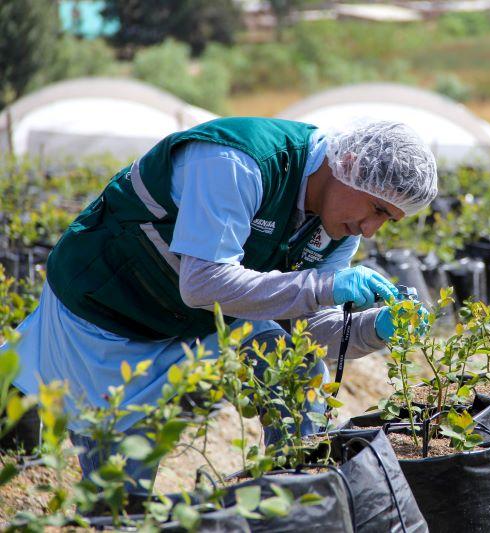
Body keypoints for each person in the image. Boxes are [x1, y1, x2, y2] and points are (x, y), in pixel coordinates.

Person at [5, 117, 438, 483]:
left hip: (195, 320)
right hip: (108, 306)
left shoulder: (336, 229)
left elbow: (308, 332)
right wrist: (324, 286)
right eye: (378, 210)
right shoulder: (238, 162)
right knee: (118, 481)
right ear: (350, 164)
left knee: (295, 366)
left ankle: (301, 494)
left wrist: (374, 327)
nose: (370, 230)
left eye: (388, 220)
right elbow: (204, 283)